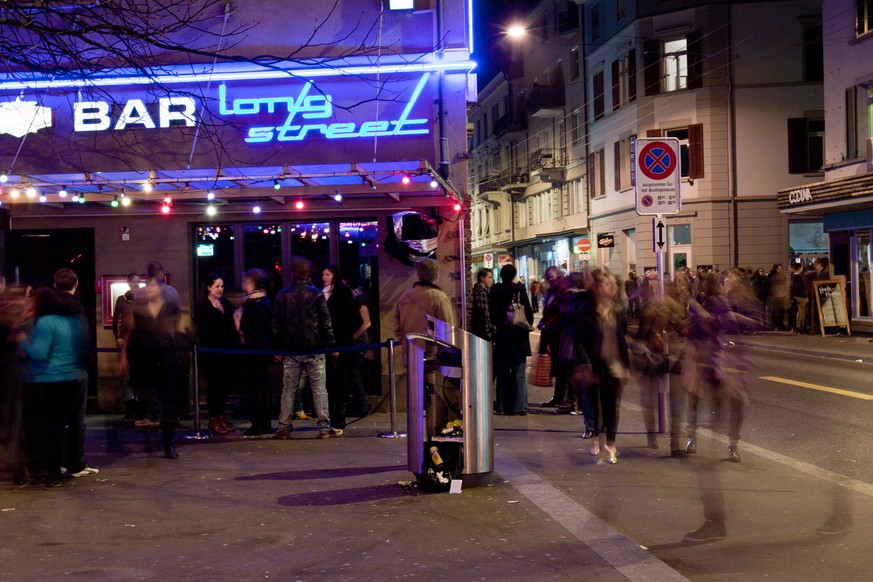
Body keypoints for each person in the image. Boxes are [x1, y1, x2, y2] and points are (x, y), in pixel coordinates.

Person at [19, 269, 96, 485]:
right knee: (76, 422)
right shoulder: (78, 319)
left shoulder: (46, 322)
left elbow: (39, 353)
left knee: (53, 425)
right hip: (77, 375)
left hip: (51, 379)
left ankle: (53, 470)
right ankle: (76, 464)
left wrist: (22, 340)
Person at [272, 257, 342, 440]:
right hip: (315, 348)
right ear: (307, 273)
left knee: (288, 390)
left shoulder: (281, 295)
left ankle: (284, 428)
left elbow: (276, 325)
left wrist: (277, 347)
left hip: (290, 349)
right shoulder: (316, 294)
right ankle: (324, 427)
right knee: (319, 389)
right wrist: (332, 344)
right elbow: (325, 322)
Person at [122, 261, 183, 459]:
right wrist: (124, 355)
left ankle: (168, 444)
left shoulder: (170, 300)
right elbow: (131, 329)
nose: (151, 289)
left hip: (166, 356)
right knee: (150, 394)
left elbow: (178, 325)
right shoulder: (139, 303)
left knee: (169, 402)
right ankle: (160, 428)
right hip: (145, 356)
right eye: (149, 286)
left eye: (155, 286)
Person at [683, 273, 745, 462]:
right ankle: (692, 437)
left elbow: (729, 323)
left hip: (715, 355)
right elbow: (690, 326)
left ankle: (732, 443)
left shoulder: (720, 301)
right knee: (694, 395)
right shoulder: (696, 301)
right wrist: (690, 323)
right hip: (699, 353)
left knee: (737, 398)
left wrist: (710, 318)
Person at [572, 270, 630, 464]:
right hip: (594, 365)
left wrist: (626, 366)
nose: (611, 287)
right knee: (595, 405)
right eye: (607, 284)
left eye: (612, 284)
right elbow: (578, 340)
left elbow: (621, 339)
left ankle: (611, 446)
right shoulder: (586, 311)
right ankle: (596, 437)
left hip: (613, 364)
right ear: (597, 288)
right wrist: (585, 363)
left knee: (611, 406)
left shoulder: (617, 311)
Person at [394, 259, 457, 436]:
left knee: (415, 396)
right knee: (433, 399)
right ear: (436, 276)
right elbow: (447, 328)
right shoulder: (438, 297)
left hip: (411, 355)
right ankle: (430, 435)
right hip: (433, 356)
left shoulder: (405, 296)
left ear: (418, 274)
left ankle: (416, 433)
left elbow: (397, 327)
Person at [194, 274, 239, 435]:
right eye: (217, 286)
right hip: (212, 353)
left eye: (222, 286)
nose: (220, 289)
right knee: (214, 387)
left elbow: (231, 324)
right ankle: (213, 418)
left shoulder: (225, 303)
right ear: (209, 287)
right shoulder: (203, 306)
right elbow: (206, 329)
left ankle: (221, 416)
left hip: (225, 353)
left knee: (223, 387)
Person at [489, 263, 533, 416]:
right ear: (514, 275)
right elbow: (528, 312)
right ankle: (519, 406)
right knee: (518, 373)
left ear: (501, 275)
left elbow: (492, 314)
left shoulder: (495, 290)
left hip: (502, 337)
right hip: (518, 337)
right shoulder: (518, 289)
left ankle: (501, 406)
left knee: (502, 372)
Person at [235, 268, 274, 437]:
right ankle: (266, 424)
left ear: (250, 282)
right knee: (264, 387)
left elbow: (243, 328)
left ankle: (256, 425)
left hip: (252, 348)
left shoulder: (250, 302)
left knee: (254, 388)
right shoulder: (266, 299)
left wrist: (237, 317)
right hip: (265, 347)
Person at [322, 265, 359, 431]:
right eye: (323, 274)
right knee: (331, 381)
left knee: (341, 379)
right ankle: (332, 415)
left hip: (341, 342)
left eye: (327, 274)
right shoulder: (322, 292)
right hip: (329, 342)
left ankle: (340, 416)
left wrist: (337, 344)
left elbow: (346, 319)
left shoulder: (342, 292)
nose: (324, 277)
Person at [538, 266, 571, 408]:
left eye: (552, 276)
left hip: (562, 334)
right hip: (554, 334)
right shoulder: (552, 290)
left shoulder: (563, 289)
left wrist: (548, 323)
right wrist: (543, 321)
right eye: (548, 277)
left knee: (564, 366)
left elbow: (562, 313)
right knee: (558, 365)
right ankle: (559, 396)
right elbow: (549, 310)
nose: (550, 279)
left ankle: (566, 398)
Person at [112, 273, 140, 421]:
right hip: (125, 342)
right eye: (133, 282)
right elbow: (115, 321)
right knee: (126, 375)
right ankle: (130, 409)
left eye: (138, 282)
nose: (136, 284)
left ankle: (140, 408)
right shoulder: (122, 300)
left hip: (138, 342)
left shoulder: (142, 299)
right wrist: (118, 338)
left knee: (139, 374)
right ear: (129, 283)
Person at [471, 268, 495, 342]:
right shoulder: (481, 292)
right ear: (482, 278)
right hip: (483, 331)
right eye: (489, 277)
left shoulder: (482, 290)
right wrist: (488, 331)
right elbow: (484, 313)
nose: (491, 280)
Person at [768, 263, 789, 331]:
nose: (780, 270)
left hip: (782, 295)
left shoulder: (782, 276)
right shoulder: (774, 276)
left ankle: (780, 325)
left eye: (781, 268)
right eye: (778, 268)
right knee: (776, 311)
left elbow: (785, 285)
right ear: (776, 269)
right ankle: (775, 325)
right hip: (776, 296)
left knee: (782, 311)